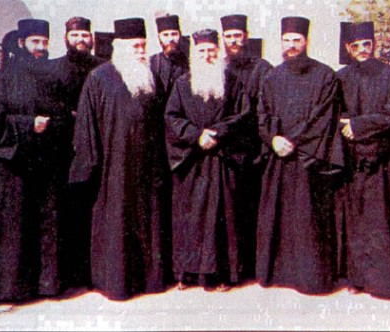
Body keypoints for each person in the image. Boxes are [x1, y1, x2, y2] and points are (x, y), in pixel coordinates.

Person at [69, 17, 170, 300]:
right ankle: (116, 283)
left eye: (143, 45)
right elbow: (86, 128)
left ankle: (150, 280)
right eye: (135, 46)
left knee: (148, 221)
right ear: (121, 47)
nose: (141, 51)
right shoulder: (99, 78)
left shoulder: (151, 78)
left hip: (147, 169)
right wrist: (91, 166)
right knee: (116, 225)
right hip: (112, 170)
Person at [0, 19, 67, 303]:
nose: (40, 48)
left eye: (44, 42)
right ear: (21, 43)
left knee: (46, 223)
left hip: (47, 163)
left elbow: (64, 115)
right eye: (35, 42)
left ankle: (47, 285)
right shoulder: (2, 80)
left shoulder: (52, 78)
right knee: (15, 228)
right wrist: (29, 125)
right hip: (14, 168)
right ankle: (12, 289)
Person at [256, 16, 342, 295]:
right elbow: (263, 114)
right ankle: (279, 274)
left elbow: (324, 117)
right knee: (278, 216)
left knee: (308, 219)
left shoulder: (325, 75)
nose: (291, 45)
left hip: (309, 160)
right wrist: (273, 139)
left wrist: (294, 140)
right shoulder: (272, 76)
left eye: (296, 40)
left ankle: (310, 278)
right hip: (279, 159)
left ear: (306, 41)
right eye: (286, 40)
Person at [335, 21, 390, 299]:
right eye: (355, 46)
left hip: (382, 160)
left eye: (366, 45)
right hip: (354, 159)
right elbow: (337, 112)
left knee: (381, 219)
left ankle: (385, 283)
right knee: (355, 219)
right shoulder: (342, 77)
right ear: (348, 48)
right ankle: (357, 278)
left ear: (374, 44)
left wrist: (357, 125)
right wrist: (346, 124)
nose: (362, 50)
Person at [165, 29, 247, 291]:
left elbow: (243, 116)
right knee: (189, 219)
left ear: (218, 51)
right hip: (192, 163)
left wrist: (218, 134)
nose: (207, 55)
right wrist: (197, 136)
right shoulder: (182, 83)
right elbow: (171, 118)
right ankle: (187, 273)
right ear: (194, 54)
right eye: (202, 51)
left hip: (223, 160)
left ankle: (223, 274)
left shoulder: (232, 82)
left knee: (224, 219)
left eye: (212, 50)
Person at [50, 16, 105, 290]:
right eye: (75, 36)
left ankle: (94, 273)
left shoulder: (103, 68)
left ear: (91, 38)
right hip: (65, 152)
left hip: (98, 150)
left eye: (85, 35)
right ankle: (70, 275)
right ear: (66, 39)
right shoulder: (55, 69)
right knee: (68, 214)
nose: (81, 40)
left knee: (95, 212)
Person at [220, 14, 272, 280]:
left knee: (252, 207)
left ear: (246, 36)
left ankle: (252, 266)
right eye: (228, 36)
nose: (233, 41)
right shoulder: (217, 67)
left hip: (254, 147)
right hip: (226, 151)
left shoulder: (262, 67)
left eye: (237, 35)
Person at [150, 14, 189, 106]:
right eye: (165, 35)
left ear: (180, 35)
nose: (170, 39)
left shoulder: (189, 62)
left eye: (174, 34)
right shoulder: (152, 63)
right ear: (159, 37)